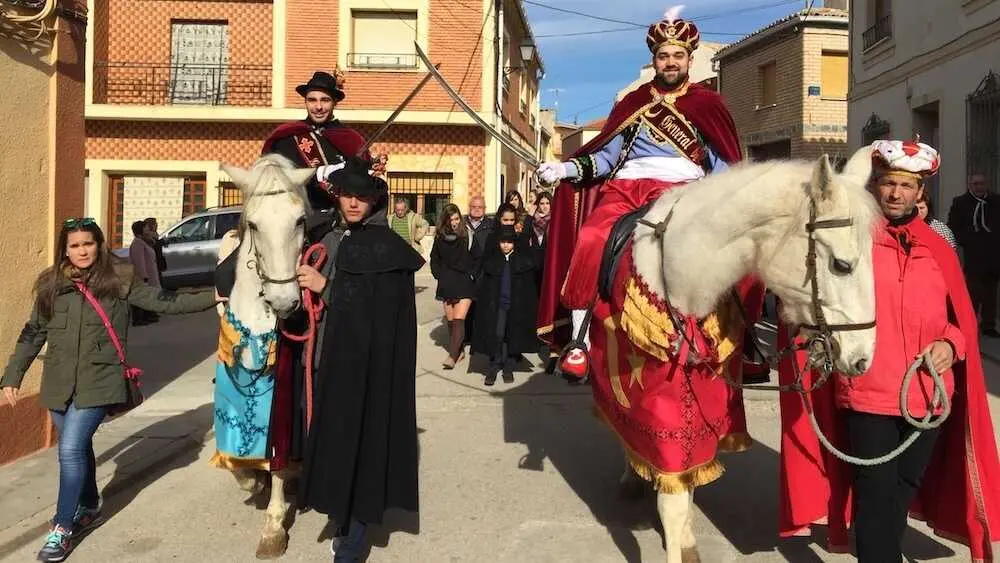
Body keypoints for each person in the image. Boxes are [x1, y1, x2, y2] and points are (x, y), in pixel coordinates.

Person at [778, 140, 1000, 563]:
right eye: (887, 183)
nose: (895, 193)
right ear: (874, 186)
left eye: (905, 185)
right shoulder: (854, 241)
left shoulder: (940, 245)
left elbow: (963, 315)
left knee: (900, 491)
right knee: (876, 497)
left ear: (921, 193)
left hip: (929, 395)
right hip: (868, 392)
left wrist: (950, 344)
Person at [533, 10, 757, 377]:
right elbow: (604, 158)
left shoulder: (708, 105)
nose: (670, 62)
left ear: (689, 59)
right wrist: (563, 169)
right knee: (591, 237)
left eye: (678, 56)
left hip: (683, 190)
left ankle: (728, 337)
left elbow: (721, 166)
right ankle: (580, 339)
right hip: (626, 188)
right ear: (654, 60)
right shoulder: (632, 103)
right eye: (663, 56)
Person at [0, 218, 218, 562]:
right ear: (65, 250)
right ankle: (88, 506)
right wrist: (13, 376)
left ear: (99, 245)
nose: (82, 250)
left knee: (69, 449)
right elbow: (33, 331)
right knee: (79, 448)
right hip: (58, 384)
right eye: (75, 245)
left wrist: (213, 295)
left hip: (101, 380)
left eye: (88, 243)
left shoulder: (119, 279)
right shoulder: (50, 284)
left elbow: (164, 301)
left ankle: (62, 527)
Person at [297, 160, 424, 563]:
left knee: (364, 444)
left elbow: (377, 310)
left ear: (374, 201)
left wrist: (325, 287)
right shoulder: (335, 237)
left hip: (370, 368)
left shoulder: (386, 247)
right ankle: (341, 515)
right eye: (346, 196)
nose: (352, 203)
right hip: (333, 361)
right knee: (337, 441)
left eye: (361, 196)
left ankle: (354, 537)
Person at [260, 70, 376, 211]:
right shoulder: (286, 138)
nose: (318, 107)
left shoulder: (351, 139)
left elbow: (362, 188)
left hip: (340, 222)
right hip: (296, 220)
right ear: (306, 102)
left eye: (325, 100)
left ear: (335, 103)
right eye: (312, 100)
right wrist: (320, 173)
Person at [472, 225, 539, 385]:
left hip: (515, 306)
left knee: (512, 335)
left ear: (514, 243)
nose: (506, 245)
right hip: (497, 306)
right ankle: (494, 366)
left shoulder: (522, 261)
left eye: (509, 242)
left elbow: (528, 289)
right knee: (497, 334)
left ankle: (508, 366)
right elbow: (484, 286)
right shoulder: (492, 261)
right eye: (503, 242)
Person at [948, 172, 1000, 337]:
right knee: (973, 291)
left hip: (993, 254)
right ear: (970, 185)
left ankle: (989, 325)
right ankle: (969, 323)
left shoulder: (996, 201)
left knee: (991, 292)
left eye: (982, 184)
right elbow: (953, 226)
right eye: (976, 184)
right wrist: (965, 240)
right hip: (972, 254)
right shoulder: (961, 202)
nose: (979, 187)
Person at [430, 203, 476, 369]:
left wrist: (472, 275)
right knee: (450, 321)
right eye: (451, 220)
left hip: (464, 282)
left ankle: (452, 355)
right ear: (445, 221)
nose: (455, 222)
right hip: (447, 283)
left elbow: (477, 257)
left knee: (458, 319)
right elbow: (434, 259)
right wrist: (439, 275)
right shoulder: (439, 238)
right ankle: (460, 351)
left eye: (457, 218)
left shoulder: (468, 235)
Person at [128, 221, 159, 326]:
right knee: (141, 297)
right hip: (144, 276)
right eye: (146, 229)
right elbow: (139, 261)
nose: (148, 230)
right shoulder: (137, 243)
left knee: (149, 295)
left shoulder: (143, 241)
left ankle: (148, 315)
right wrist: (143, 276)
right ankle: (139, 318)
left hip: (150, 274)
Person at [142, 217, 167, 282]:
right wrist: (163, 241)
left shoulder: (153, 233)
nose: (157, 225)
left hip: (156, 260)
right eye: (155, 223)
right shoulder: (149, 235)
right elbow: (155, 244)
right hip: (153, 261)